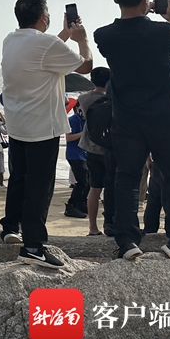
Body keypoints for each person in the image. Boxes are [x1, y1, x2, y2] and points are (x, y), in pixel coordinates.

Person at [94, 0, 170, 261]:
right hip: (166, 117)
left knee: (127, 178)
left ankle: (127, 242)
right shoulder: (163, 31)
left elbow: (128, 36)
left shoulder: (103, 35)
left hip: (126, 118)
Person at [0, 0, 93, 269]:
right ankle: (33, 246)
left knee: (19, 179)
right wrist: (82, 40)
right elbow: (85, 65)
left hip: (17, 124)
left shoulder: (11, 40)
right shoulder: (46, 44)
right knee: (40, 187)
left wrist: (64, 34)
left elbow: (42, 52)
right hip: (42, 127)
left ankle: (10, 227)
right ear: (43, 17)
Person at [77, 67, 113, 236]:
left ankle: (92, 227)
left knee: (94, 188)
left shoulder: (84, 98)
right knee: (112, 187)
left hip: (91, 145)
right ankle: (111, 222)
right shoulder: (113, 98)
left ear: (92, 80)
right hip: (110, 146)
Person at [64, 104, 89, 219]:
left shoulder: (87, 120)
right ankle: (71, 205)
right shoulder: (72, 120)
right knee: (82, 182)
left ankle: (81, 203)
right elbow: (68, 138)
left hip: (85, 154)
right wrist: (83, 134)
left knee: (89, 182)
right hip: (75, 155)